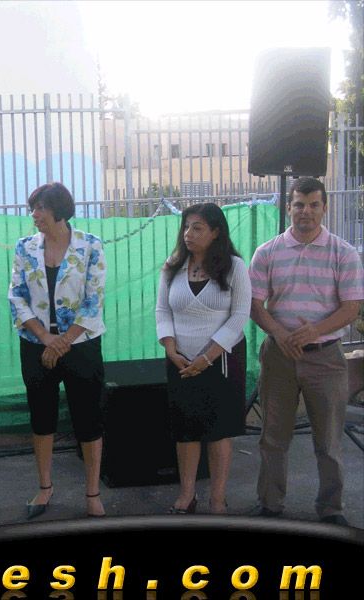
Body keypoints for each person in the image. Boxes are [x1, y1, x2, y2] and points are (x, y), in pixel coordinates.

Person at [249, 177, 364, 526]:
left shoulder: (343, 253)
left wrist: (316, 330)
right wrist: (280, 333)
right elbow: (255, 304)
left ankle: (331, 509)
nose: (306, 212)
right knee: (273, 437)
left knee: (328, 440)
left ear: (324, 208)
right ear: (288, 207)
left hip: (326, 356)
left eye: (314, 205)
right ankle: (270, 505)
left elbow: (351, 308)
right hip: (279, 355)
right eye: (299, 204)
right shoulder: (267, 252)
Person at [8, 182, 107, 519]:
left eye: (40, 208)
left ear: (59, 210)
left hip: (81, 345)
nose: (34, 215)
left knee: (88, 419)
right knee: (41, 416)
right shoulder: (24, 247)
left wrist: (63, 341)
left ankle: (92, 493)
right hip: (36, 345)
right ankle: (44, 487)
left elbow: (94, 299)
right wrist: (45, 338)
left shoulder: (90, 245)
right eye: (32, 208)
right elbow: (16, 295)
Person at [155, 203, 251, 515]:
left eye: (197, 228)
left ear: (215, 232)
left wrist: (208, 357)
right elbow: (162, 311)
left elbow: (240, 316)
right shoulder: (173, 266)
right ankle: (187, 496)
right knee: (186, 430)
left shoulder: (234, 266)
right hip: (181, 363)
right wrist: (171, 349)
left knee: (218, 431)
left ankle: (217, 499)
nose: (188, 234)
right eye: (186, 227)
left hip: (221, 361)